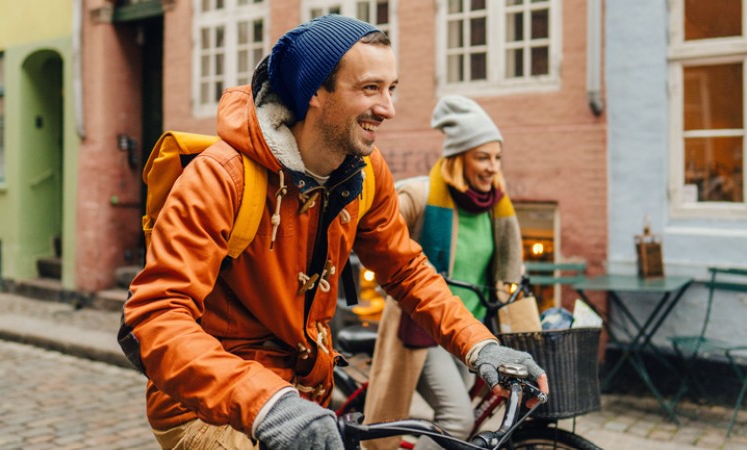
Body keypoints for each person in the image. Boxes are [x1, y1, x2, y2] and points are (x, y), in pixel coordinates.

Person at [118, 15, 548, 450]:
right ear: (315, 93)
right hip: (210, 405)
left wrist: (480, 345)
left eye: (391, 88)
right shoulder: (222, 177)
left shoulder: (365, 171)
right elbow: (154, 317)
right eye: (369, 89)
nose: (388, 108)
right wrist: (267, 402)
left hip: (305, 397)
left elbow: (406, 270)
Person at [363, 95, 527, 450]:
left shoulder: (495, 207)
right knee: (458, 419)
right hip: (423, 330)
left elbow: (506, 269)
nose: (492, 168)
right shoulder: (421, 195)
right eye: (482, 157)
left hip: (469, 332)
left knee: (460, 420)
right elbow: (374, 234)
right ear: (459, 159)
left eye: (497, 158)